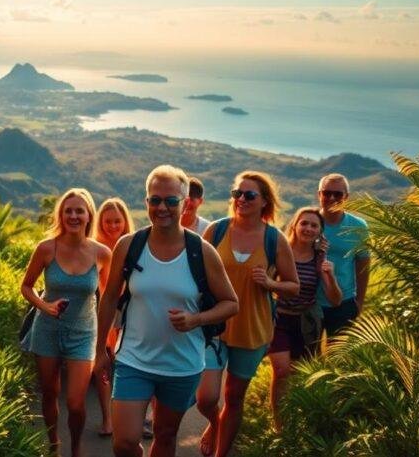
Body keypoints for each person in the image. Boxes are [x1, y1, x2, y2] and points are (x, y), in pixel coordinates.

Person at [95, 165, 238, 457]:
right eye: (155, 200)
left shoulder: (201, 251)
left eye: (171, 201)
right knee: (124, 442)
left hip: (181, 364)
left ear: (185, 203)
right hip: (134, 359)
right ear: (146, 202)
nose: (162, 207)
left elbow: (231, 303)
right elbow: (110, 298)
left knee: (165, 434)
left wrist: (196, 319)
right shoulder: (129, 245)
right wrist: (98, 351)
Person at [196, 171, 300, 457]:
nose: (241, 199)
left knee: (234, 397)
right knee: (206, 397)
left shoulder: (274, 239)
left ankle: (221, 452)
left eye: (249, 195)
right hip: (214, 326)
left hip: (252, 329)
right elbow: (195, 274)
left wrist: (271, 283)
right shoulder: (216, 231)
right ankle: (214, 423)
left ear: (264, 201)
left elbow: (293, 286)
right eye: (237, 194)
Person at [21, 188, 110, 456]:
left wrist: (107, 338)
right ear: (61, 214)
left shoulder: (102, 253)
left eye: (78, 211)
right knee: (49, 393)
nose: (73, 215)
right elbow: (26, 287)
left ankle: (76, 446)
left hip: (83, 333)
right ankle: (53, 445)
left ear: (88, 216)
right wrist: (45, 306)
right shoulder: (46, 248)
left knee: (75, 403)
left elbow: (107, 297)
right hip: (46, 330)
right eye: (68, 210)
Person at [268, 207, 342, 429]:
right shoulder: (281, 252)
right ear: (295, 226)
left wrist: (328, 275)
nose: (308, 228)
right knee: (281, 371)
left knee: (301, 374)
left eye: (314, 225)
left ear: (320, 232)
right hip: (279, 319)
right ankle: (279, 425)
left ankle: (299, 419)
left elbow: (335, 299)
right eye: (304, 223)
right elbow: (267, 285)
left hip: (306, 323)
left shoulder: (320, 259)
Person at [92, 197, 136, 437]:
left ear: (124, 221)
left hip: (130, 311)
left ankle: (138, 417)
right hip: (103, 312)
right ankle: (107, 419)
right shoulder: (95, 246)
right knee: (103, 364)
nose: (112, 226)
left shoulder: (134, 245)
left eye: (117, 221)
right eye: (107, 221)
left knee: (131, 365)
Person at [316, 173, 371, 341]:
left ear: (346, 197)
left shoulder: (358, 226)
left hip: (344, 303)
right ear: (319, 195)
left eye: (338, 194)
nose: (332, 197)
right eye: (327, 193)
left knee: (338, 360)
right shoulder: (309, 223)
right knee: (307, 360)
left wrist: (359, 302)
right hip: (310, 303)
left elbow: (363, 265)